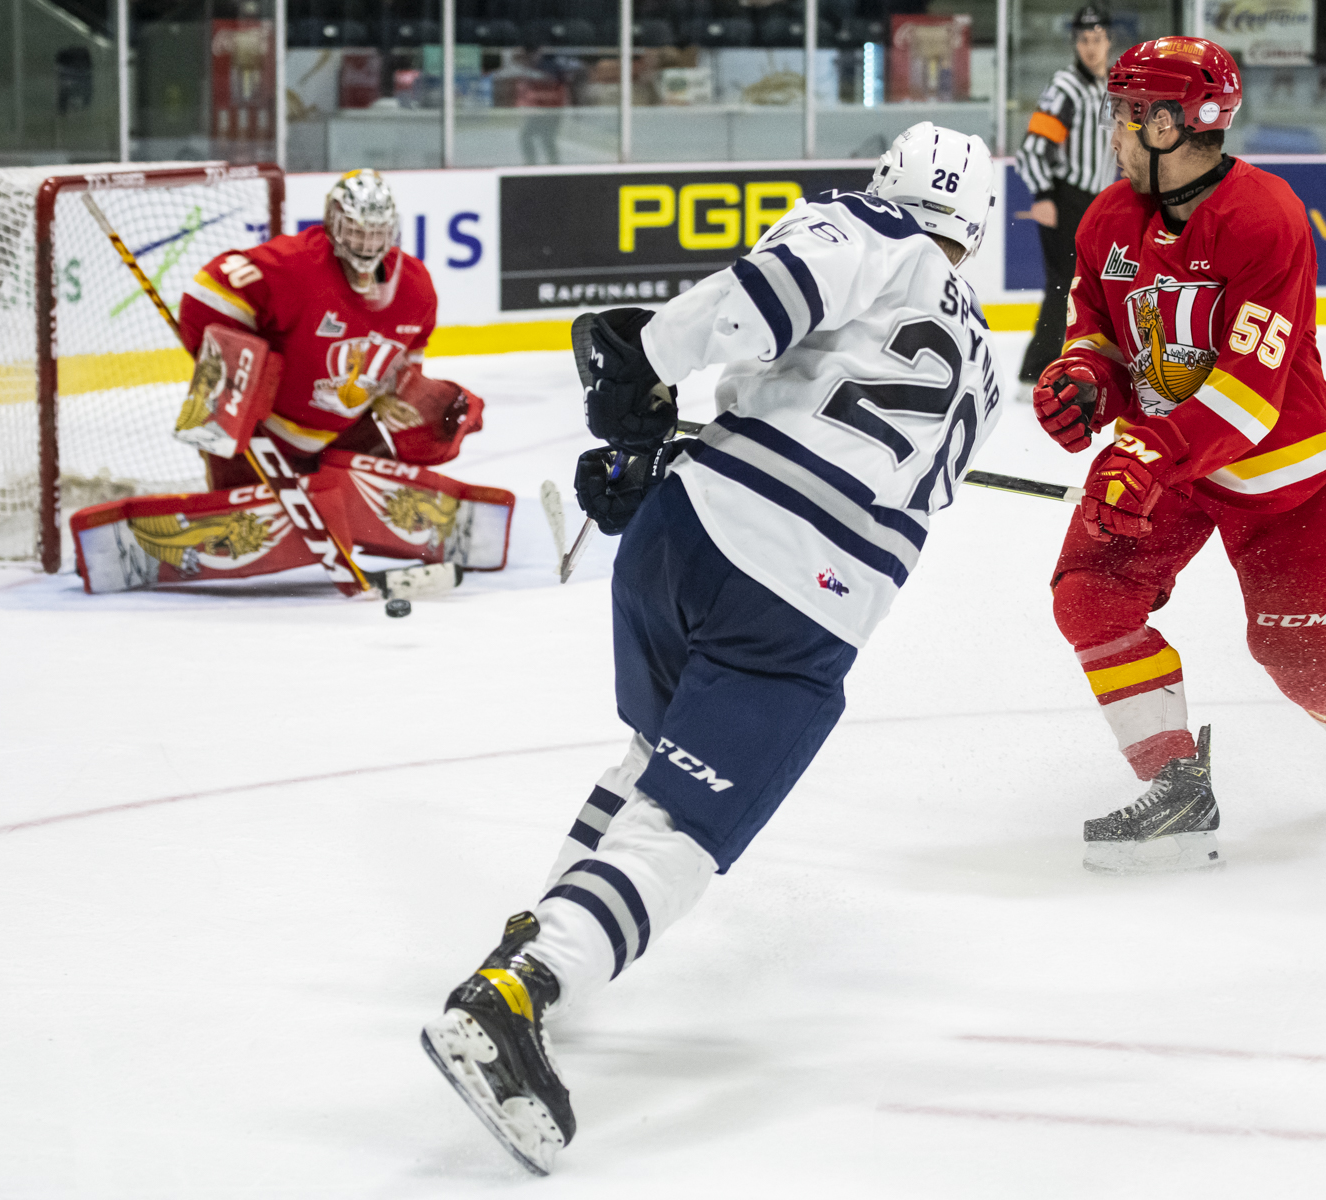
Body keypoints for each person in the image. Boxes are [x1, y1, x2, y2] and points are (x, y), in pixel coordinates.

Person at [421, 122, 1004, 1174]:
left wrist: (647, 394)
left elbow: (765, 315)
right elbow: (832, 420)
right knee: (686, 823)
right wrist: (651, 365)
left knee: (654, 756)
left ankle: (537, 934)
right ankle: (520, 991)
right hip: (803, 604)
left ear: (889, 183)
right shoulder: (986, 372)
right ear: (977, 227)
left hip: (682, 536)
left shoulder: (860, 221)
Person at [1029, 37, 1326, 876]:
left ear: (1167, 125)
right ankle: (1177, 784)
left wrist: (1145, 451)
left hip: (1285, 481)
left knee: (1305, 668)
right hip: (1167, 469)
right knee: (1091, 597)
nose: (1116, 133)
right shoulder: (1107, 219)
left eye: (1126, 116)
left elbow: (1249, 393)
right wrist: (1083, 382)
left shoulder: (1265, 217)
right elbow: (1095, 327)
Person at [178, 167, 478, 489]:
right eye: (355, 230)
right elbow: (208, 291)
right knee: (242, 527)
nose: (366, 243)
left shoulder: (415, 286)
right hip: (262, 431)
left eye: (377, 232)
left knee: (386, 513)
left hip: (344, 429)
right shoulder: (297, 265)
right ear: (332, 224)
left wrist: (391, 392)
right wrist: (231, 373)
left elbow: (412, 343)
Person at [1016, 4, 1115, 382]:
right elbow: (1032, 149)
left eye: (1097, 39)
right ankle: (1036, 370)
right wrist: (1043, 195)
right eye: (1084, 40)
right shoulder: (1067, 88)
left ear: (1108, 40)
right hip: (1066, 198)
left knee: (1090, 286)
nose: (1091, 47)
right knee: (1065, 286)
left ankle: (1086, 361)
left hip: (1098, 202)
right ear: (1075, 43)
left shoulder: (1109, 86)